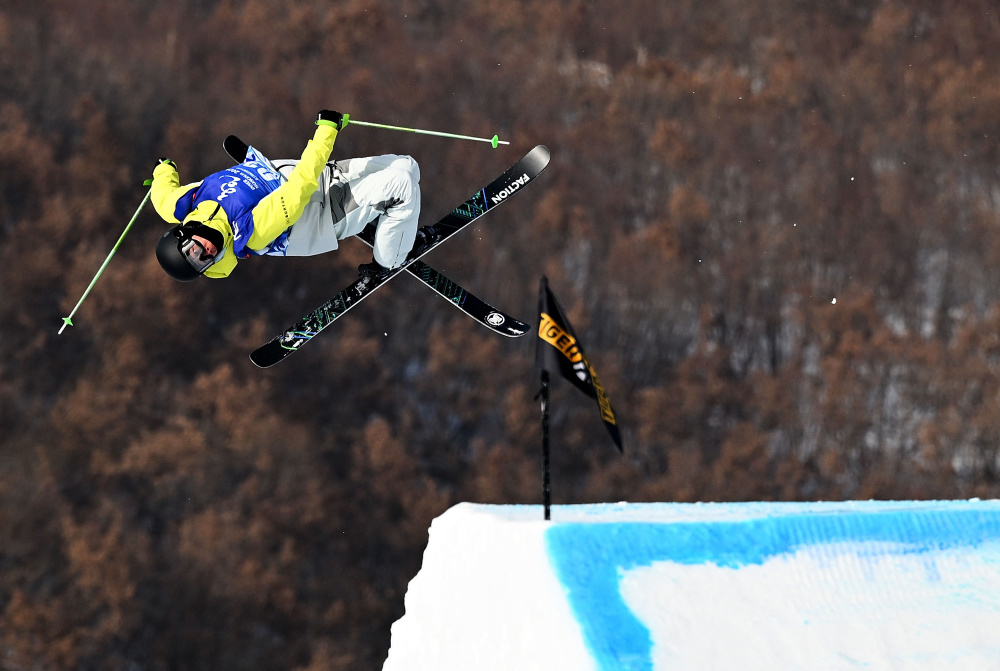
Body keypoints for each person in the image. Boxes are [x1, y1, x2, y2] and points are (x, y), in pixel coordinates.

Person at [150, 110, 440, 282]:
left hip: (324, 178)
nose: (208, 255)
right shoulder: (247, 231)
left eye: (196, 253)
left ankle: (386, 221)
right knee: (402, 185)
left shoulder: (182, 205)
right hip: (325, 212)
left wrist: (163, 169)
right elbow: (298, 188)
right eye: (204, 263)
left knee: (408, 166)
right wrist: (327, 131)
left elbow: (161, 194)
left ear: (181, 233)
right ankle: (391, 258)